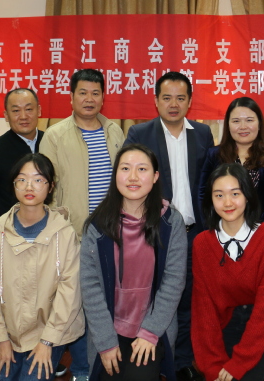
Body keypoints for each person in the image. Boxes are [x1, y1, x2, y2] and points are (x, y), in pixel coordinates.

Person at [124, 71, 214, 381]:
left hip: (195, 233)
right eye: (166, 98)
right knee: (155, 299)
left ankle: (181, 361)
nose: (173, 104)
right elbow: (128, 179)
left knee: (188, 300)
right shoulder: (139, 133)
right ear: (156, 100)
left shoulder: (202, 134)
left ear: (189, 101)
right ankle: (152, 357)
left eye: (180, 98)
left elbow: (210, 183)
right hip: (155, 232)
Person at [42, 68, 125, 381]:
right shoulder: (55, 135)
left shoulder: (114, 132)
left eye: (95, 93)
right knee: (66, 305)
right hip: (71, 235)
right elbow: (45, 187)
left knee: (101, 304)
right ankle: (53, 367)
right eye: (83, 93)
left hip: (111, 234)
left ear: (103, 97)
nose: (89, 99)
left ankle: (90, 369)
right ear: (72, 97)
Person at [80, 144, 187, 381]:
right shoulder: (97, 225)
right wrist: (105, 342)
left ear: (155, 176)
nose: (133, 177)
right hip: (109, 329)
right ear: (115, 174)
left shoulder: (171, 222)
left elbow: (174, 282)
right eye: (125, 168)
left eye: (142, 169)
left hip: (152, 326)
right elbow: (90, 287)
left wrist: (150, 331)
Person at [0, 153, 85, 381]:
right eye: (22, 179)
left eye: (38, 180)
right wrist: (1, 339)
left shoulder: (65, 234)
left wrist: (47, 342)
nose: (29, 186)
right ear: (13, 185)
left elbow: (70, 292)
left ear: (51, 186)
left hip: (50, 332)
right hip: (8, 333)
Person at [192, 162, 264, 381]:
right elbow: (204, 309)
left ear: (247, 196)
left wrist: (238, 364)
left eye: (235, 194)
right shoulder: (202, 243)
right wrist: (213, 365)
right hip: (225, 321)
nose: (227, 202)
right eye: (219, 195)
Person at [198, 97, 264, 239]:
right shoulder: (214, 155)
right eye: (236, 121)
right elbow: (204, 195)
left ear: (259, 124)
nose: (243, 127)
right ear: (228, 125)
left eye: (249, 120)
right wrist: (217, 231)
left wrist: (257, 234)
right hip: (222, 235)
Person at [0, 88, 45, 226]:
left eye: (29, 109)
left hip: (49, 226)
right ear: (6, 115)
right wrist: (3, 224)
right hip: (9, 229)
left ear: (39, 111)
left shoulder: (51, 142)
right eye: (16, 111)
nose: (23, 116)